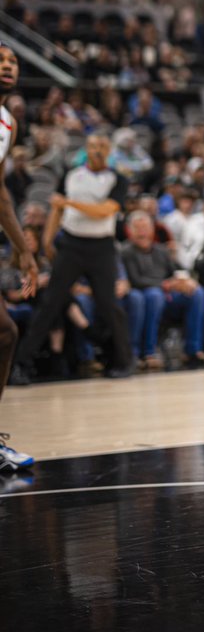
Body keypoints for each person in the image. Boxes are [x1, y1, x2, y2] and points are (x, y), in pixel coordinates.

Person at [12, 130, 132, 384]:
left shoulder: (117, 179)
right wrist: (47, 240)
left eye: (102, 145)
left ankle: (123, 362)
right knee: (50, 304)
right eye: (93, 145)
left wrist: (70, 204)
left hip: (101, 248)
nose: (97, 149)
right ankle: (20, 363)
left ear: (108, 151)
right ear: (86, 149)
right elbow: (56, 207)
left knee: (109, 306)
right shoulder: (71, 175)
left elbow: (105, 211)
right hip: (71, 245)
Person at [0, 44, 38, 468]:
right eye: (0, 59)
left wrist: (24, 250)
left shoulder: (7, 122)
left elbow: (0, 192)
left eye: (12, 60)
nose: (8, 65)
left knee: (5, 334)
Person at [120, 211, 204, 368]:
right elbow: (134, 281)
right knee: (154, 295)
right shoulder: (125, 252)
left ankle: (193, 350)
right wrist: (166, 285)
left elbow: (177, 271)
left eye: (145, 228)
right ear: (130, 231)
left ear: (152, 230)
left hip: (167, 298)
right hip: (144, 298)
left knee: (197, 293)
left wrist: (186, 281)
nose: (143, 232)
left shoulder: (161, 251)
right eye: (138, 228)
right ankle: (148, 352)